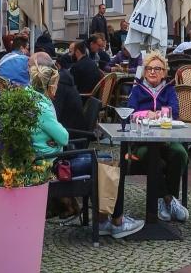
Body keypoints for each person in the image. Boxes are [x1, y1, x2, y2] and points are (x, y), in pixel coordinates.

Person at [29, 65, 144, 238]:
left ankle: (103, 219)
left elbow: (58, 137)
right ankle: (117, 222)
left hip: (49, 158)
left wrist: (54, 141)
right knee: (111, 166)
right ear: (50, 86)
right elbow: (64, 137)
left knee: (105, 158)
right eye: (56, 85)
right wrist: (56, 141)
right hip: (54, 165)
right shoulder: (43, 108)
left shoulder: (32, 99)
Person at [126, 52, 189, 222]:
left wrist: (161, 114)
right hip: (143, 141)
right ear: (145, 72)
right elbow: (129, 113)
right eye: (149, 68)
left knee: (179, 154)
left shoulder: (169, 89)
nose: (153, 72)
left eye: (157, 69)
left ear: (164, 73)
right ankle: (168, 200)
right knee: (154, 160)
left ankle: (167, 201)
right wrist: (147, 113)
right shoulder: (137, 90)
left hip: (167, 138)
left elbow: (174, 112)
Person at [30, 52, 87, 133]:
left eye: (30, 67)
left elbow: (53, 117)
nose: (27, 69)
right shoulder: (56, 80)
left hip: (69, 134)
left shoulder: (56, 86)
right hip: (64, 128)